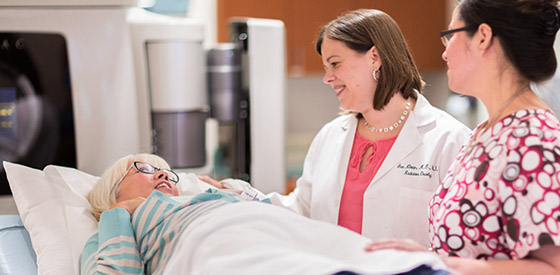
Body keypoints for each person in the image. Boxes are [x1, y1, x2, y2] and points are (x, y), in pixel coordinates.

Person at [201, 9, 471, 247]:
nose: (327, 77)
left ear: (374, 57)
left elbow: (461, 240)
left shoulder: (449, 140)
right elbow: (301, 210)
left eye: (335, 63)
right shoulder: (330, 136)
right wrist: (239, 195)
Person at [365, 0, 560, 274]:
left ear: (482, 37)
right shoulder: (485, 132)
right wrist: (426, 257)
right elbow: (479, 250)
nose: (444, 53)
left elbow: (553, 267)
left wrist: (450, 265)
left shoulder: (534, 138)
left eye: (450, 36)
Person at [80, 153, 450, 274]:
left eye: (166, 172)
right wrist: (118, 214)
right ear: (112, 188)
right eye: (143, 170)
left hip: (278, 227)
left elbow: (270, 209)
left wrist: (224, 189)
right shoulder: (115, 225)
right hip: (208, 247)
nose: (162, 174)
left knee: (362, 254)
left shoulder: (203, 199)